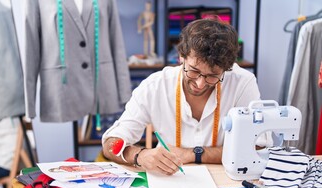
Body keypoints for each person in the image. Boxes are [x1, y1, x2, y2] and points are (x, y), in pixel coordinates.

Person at [102, 19, 263, 175]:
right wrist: (139, 155)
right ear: (181, 56)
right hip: (170, 178)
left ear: (226, 70)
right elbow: (110, 144)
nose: (200, 83)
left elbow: (258, 145)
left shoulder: (242, 83)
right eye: (193, 71)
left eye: (212, 76)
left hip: (225, 179)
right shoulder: (155, 86)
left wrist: (192, 154)